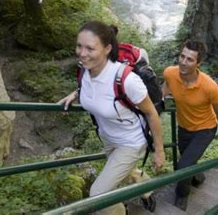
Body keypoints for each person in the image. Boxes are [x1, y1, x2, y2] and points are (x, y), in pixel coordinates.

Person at [59, 21, 165, 215]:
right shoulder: (84, 71)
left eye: (90, 48)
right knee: (124, 174)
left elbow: (151, 113)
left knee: (98, 194)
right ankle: (146, 188)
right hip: (108, 137)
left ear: (108, 48)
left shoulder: (127, 79)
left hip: (131, 142)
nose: (82, 53)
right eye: (79, 46)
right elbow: (96, 88)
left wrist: (159, 151)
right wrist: (75, 94)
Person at [162, 40, 218, 211]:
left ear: (199, 63)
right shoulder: (170, 73)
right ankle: (198, 176)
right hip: (183, 127)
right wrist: (160, 99)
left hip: (205, 129)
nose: (183, 62)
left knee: (182, 166)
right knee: (188, 161)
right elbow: (166, 87)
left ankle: (181, 196)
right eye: (182, 56)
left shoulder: (210, 87)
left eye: (190, 59)